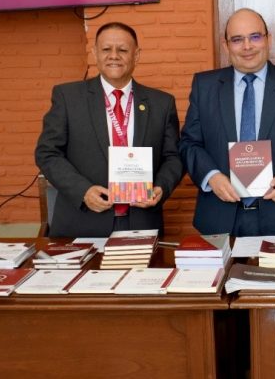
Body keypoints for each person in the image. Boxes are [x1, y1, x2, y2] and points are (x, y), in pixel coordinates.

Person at [179, 8, 275, 236]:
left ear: (269, 40)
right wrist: (212, 176)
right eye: (237, 40)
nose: (247, 46)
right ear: (225, 45)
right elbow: (189, 143)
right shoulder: (205, 86)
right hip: (220, 217)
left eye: (255, 37)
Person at [35, 22, 183, 237]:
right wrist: (83, 192)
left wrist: (161, 186)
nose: (114, 56)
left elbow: (174, 157)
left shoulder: (162, 103)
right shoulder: (68, 97)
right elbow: (47, 153)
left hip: (141, 222)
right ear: (95, 53)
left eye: (122, 50)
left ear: (136, 55)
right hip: (82, 221)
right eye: (106, 49)